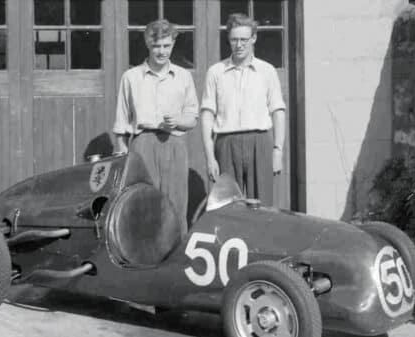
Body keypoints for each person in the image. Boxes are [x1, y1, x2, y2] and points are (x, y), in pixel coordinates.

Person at [113, 19, 198, 232]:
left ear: (173, 44)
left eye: (166, 46)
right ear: (148, 45)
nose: (161, 51)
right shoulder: (131, 77)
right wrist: (123, 153)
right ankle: (143, 256)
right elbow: (122, 121)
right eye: (156, 46)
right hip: (143, 145)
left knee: (176, 203)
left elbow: (192, 118)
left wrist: (178, 121)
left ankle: (175, 257)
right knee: (143, 201)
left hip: (174, 144)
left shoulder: (183, 76)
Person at [200, 13, 286, 204]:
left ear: (253, 38)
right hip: (226, 143)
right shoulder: (216, 72)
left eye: (244, 39)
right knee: (228, 206)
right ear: (228, 40)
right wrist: (209, 157)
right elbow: (207, 116)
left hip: (260, 142)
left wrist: (277, 150)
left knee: (262, 205)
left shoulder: (267, 71)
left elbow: (278, 112)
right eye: (234, 40)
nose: (239, 45)